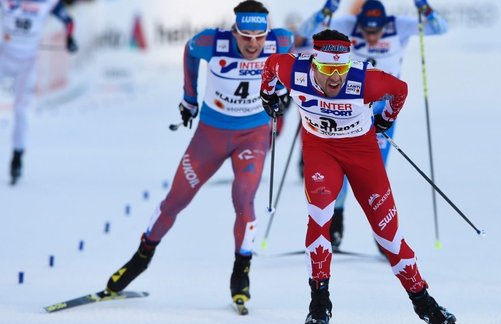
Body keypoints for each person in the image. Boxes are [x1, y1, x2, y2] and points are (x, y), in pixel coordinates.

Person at [105, 0, 293, 314]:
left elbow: (299, 67)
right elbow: (190, 53)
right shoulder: (212, 42)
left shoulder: (281, 41)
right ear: (234, 31)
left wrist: (284, 93)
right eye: (245, 36)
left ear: (268, 33)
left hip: (254, 134)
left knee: (245, 197)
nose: (253, 44)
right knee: (175, 200)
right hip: (210, 136)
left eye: (259, 37)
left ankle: (241, 271)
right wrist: (188, 99)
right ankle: (141, 257)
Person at [260, 29, 456, 324]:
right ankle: (319, 302)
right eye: (327, 69)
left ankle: (423, 301)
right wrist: (268, 95)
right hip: (320, 151)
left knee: (388, 235)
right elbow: (271, 65)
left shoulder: (365, 80)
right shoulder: (294, 70)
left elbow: (400, 89)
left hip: (362, 155)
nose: (336, 77)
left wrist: (384, 120)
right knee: (319, 217)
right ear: (314, 63)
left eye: (342, 67)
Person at [296, 0, 447, 251]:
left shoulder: (399, 26)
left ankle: (384, 235)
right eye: (367, 32)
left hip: (382, 111)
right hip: (348, 108)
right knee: (339, 165)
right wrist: (326, 11)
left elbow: (440, 28)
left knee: (375, 171)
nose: (372, 37)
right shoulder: (346, 25)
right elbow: (304, 30)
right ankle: (336, 223)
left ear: (385, 24)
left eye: (376, 32)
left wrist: (425, 7)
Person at [0, 0, 78, 185]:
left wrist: (70, 38)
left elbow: (68, 20)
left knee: (21, 110)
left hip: (27, 63)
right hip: (4, 57)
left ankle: (17, 157)